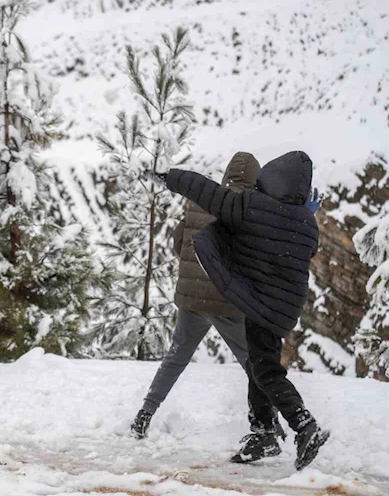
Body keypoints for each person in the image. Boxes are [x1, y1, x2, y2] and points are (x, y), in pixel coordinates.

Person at [146, 151, 329, 471]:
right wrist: (305, 215)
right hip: (284, 307)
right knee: (259, 365)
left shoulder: (252, 207)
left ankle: (303, 426)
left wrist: (169, 178)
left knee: (265, 371)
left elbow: (206, 191)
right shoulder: (306, 222)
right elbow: (307, 247)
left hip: (263, 304)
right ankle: (263, 431)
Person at [130, 152, 285, 448]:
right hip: (227, 304)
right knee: (254, 364)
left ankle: (144, 414)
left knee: (175, 358)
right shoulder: (250, 210)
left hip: (191, 301)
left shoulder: (201, 198)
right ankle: (273, 424)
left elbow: (179, 244)